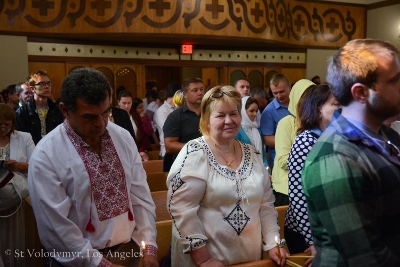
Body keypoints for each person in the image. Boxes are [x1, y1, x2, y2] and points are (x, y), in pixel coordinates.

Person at [28, 68, 158, 267]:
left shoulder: (122, 137)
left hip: (129, 250)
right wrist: (99, 263)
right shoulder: (46, 155)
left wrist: (148, 246)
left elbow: (140, 197)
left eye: (105, 112)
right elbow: (56, 227)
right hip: (78, 260)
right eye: (89, 116)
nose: (100, 123)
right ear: (65, 110)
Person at [302, 39, 400, 266]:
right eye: (395, 80)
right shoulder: (335, 157)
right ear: (361, 93)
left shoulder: (387, 135)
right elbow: (367, 259)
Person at [167, 85, 287, 266]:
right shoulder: (194, 152)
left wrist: (272, 243)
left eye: (234, 113)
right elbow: (181, 210)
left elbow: (266, 205)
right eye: (220, 115)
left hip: (249, 257)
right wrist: (204, 259)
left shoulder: (252, 153)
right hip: (207, 260)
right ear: (207, 120)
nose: (229, 120)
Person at [284, 84, 340, 265]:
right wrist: (313, 240)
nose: (342, 109)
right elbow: (298, 196)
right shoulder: (305, 141)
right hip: (306, 231)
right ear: (319, 109)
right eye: (336, 104)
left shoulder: (337, 137)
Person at [0, 104, 35, 267]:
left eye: (6, 125)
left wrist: (19, 166)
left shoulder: (24, 137)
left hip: (20, 198)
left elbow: (38, 167)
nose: (2, 129)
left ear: (12, 123)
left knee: (17, 238)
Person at [272, 79, 315, 206]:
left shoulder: (316, 123)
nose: (310, 103)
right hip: (287, 190)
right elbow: (282, 160)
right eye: (306, 99)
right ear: (297, 100)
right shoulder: (286, 123)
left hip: (310, 188)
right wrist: (310, 159)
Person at [163, 77, 204, 171]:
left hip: (207, 164)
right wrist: (197, 147)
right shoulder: (175, 116)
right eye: (195, 90)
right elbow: (169, 146)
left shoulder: (210, 113)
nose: (200, 93)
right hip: (185, 166)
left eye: (202, 89)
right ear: (185, 94)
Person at [15, 70, 64, 145]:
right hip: (31, 151)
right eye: (41, 84)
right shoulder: (22, 112)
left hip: (52, 150)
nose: (47, 86)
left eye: (48, 83)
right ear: (32, 89)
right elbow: (21, 139)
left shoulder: (57, 110)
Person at [261, 73, 291, 167]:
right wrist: (293, 143)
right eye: (275, 93)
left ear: (289, 87)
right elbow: (267, 139)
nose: (279, 96)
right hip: (279, 161)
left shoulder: (299, 104)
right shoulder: (269, 111)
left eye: (282, 92)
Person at [235, 96, 268, 167]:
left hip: (260, 169)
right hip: (245, 170)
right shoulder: (237, 130)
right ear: (243, 111)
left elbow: (263, 154)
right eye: (251, 111)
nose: (255, 114)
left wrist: (266, 171)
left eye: (256, 111)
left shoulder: (257, 130)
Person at [154, 82, 181, 159]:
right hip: (166, 154)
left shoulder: (179, 108)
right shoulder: (161, 111)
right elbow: (169, 130)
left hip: (179, 153)